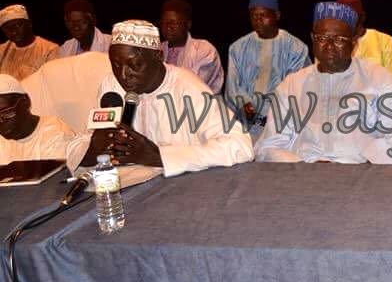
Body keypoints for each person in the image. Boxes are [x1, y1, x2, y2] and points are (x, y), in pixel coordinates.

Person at [66, 20, 253, 177]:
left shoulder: (188, 88)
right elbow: (83, 142)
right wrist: (94, 148)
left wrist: (159, 156)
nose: (123, 75)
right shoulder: (111, 86)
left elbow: (240, 145)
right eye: (115, 65)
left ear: (158, 56)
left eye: (134, 65)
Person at [255, 1, 392, 163]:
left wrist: (364, 170)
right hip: (301, 175)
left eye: (339, 39)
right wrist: (302, 167)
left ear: (354, 41)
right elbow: (269, 146)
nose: (329, 46)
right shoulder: (291, 86)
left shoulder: (381, 81)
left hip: (362, 176)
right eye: (322, 38)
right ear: (313, 38)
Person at [225, 0, 310, 135]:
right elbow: (232, 86)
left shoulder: (296, 48)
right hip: (245, 118)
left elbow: (295, 87)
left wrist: (268, 112)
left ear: (277, 15)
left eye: (263, 15)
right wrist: (244, 104)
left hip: (282, 119)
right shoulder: (237, 47)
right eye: (253, 16)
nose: (258, 20)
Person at [0, 74, 75, 164]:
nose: (1, 121)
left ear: (25, 101)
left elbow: (53, 177)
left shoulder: (55, 135)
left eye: (6, 112)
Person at [159, 0, 225, 92]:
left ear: (188, 25)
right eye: (164, 23)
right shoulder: (156, 50)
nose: (168, 27)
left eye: (174, 23)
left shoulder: (204, 50)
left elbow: (194, 87)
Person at [336, 0, 392, 79]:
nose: (346, 20)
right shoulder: (329, 44)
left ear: (362, 17)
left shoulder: (384, 41)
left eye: (351, 16)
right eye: (342, 17)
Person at [0, 4, 59, 80]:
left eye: (17, 25)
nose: (13, 31)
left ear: (29, 24)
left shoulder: (49, 49)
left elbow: (52, 81)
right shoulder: (2, 50)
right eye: (7, 28)